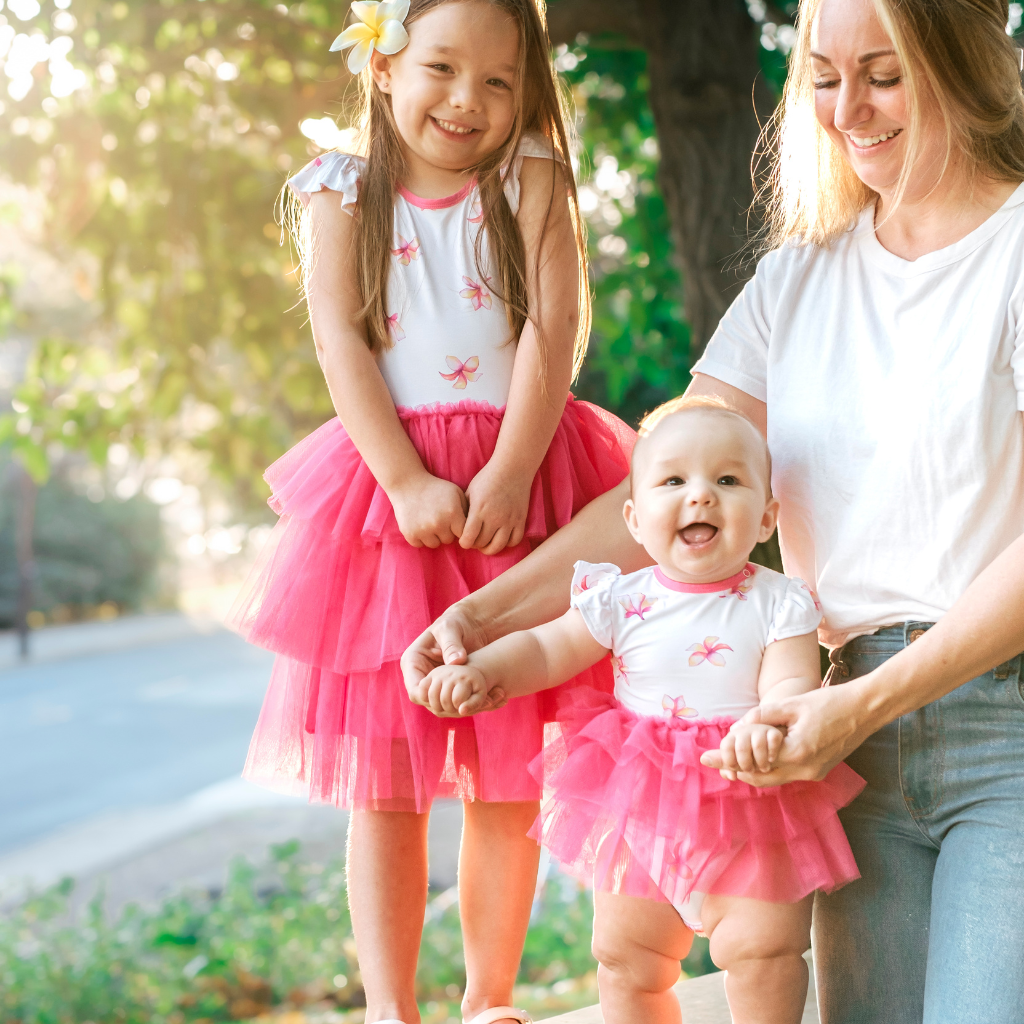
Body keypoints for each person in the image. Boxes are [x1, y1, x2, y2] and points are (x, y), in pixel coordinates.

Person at [402, 0, 1024, 1021]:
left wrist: (856, 707)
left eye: (882, 73)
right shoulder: (796, 280)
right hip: (834, 748)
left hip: (994, 722)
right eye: (822, 78)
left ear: (959, 63)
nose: (847, 109)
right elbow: (655, 490)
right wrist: (485, 614)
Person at [228, 2, 633, 1023]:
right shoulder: (338, 192)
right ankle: (391, 1006)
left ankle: (489, 997)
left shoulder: (530, 175)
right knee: (390, 782)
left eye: (499, 81)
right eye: (442, 68)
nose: (468, 99)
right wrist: (407, 479)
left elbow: (553, 326)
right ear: (381, 68)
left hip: (521, 475)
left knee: (506, 773)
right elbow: (341, 344)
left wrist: (511, 466)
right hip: (391, 495)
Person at [412, 397, 865, 1024]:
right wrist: (485, 672)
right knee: (627, 960)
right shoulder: (621, 598)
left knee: (764, 952)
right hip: (641, 805)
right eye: (674, 481)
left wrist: (774, 721)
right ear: (633, 517)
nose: (700, 496)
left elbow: (791, 681)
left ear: (766, 518)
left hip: (749, 794)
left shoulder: (778, 602)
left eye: (727, 481)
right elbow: (547, 648)